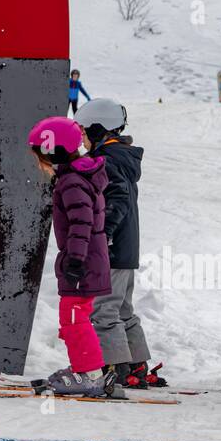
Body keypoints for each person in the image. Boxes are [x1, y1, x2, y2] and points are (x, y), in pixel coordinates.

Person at [74, 98, 166, 390]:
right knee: (123, 310)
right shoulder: (121, 158)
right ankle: (136, 366)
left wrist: (104, 234)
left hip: (112, 249)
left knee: (104, 311)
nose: (83, 139)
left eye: (85, 132)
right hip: (125, 249)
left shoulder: (108, 161)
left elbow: (118, 199)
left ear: (99, 130)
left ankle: (115, 367)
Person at [28, 115, 111, 397]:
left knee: (74, 316)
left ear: (54, 150)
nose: (41, 162)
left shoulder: (72, 181)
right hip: (88, 258)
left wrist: (75, 260)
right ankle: (85, 368)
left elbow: (81, 222)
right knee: (75, 315)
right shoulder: (76, 176)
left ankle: (89, 374)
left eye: (42, 154)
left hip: (83, 260)